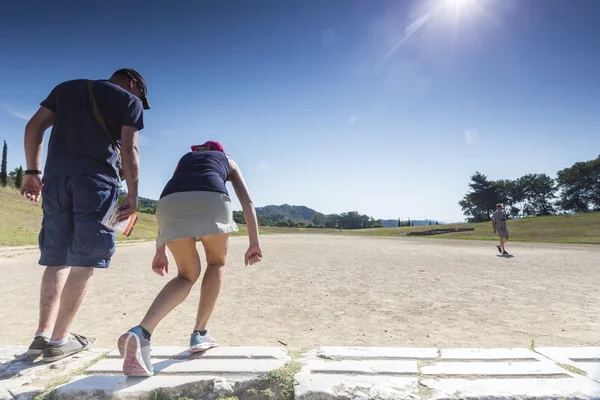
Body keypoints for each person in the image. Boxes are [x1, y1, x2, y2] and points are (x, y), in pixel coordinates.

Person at [20, 68, 150, 361]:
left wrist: (31, 171)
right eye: (141, 95)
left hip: (55, 181)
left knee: (56, 259)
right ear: (133, 84)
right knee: (85, 260)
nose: (140, 101)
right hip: (96, 184)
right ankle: (59, 341)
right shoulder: (130, 102)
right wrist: (132, 193)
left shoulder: (66, 88)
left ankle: (41, 336)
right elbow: (130, 149)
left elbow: (33, 127)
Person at [118, 141, 262, 377]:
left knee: (186, 275)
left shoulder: (184, 160)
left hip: (169, 204)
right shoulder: (228, 161)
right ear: (220, 152)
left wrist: (160, 248)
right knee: (216, 263)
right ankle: (200, 333)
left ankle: (142, 332)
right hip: (211, 199)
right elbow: (247, 201)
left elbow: (174, 194)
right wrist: (254, 242)